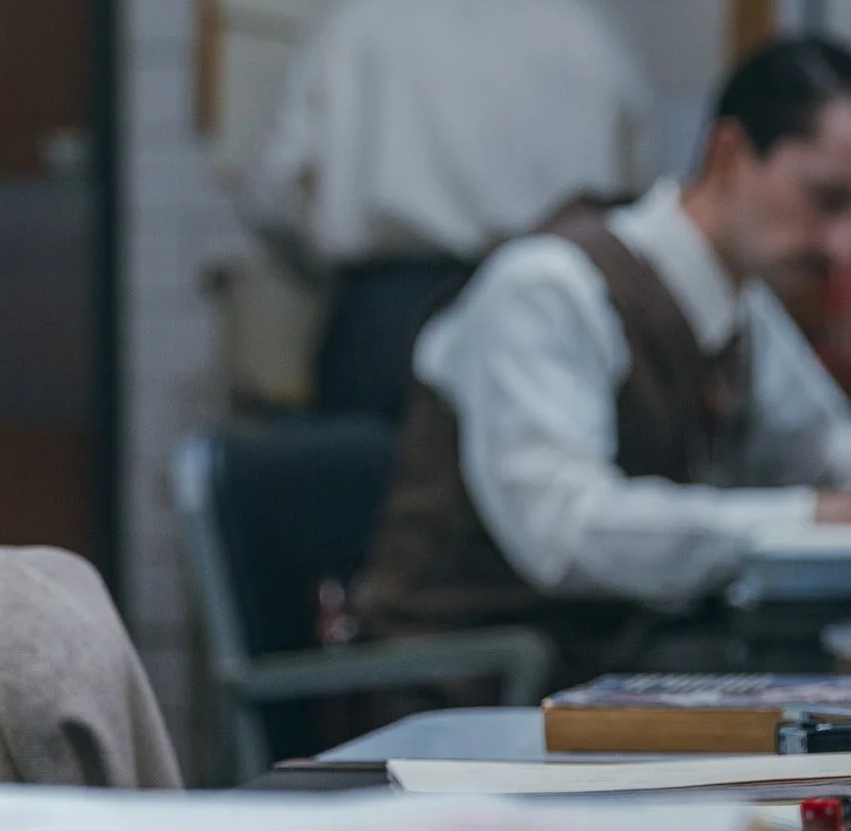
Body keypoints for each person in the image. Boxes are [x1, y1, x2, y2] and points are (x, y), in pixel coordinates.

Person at [356, 38, 851, 683]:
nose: (842, 246)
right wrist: (807, 516)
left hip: (611, 673)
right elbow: (564, 533)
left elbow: (824, 446)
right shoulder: (549, 287)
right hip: (469, 688)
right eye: (827, 199)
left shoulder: (744, 309)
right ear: (730, 154)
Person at [244, 0, 656, 421]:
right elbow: (635, 205)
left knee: (366, 474)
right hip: (539, 318)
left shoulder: (359, 22)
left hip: (384, 321)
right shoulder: (589, 35)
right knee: (541, 475)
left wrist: (320, 266)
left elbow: (275, 188)